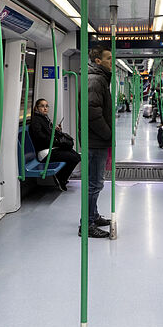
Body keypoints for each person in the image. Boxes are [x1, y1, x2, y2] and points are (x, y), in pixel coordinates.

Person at [80, 45, 114, 239]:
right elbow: (92, 112)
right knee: (94, 184)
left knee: (95, 183)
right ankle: (87, 224)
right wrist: (107, 134)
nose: (112, 62)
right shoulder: (95, 80)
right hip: (95, 141)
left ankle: (93, 215)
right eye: (108, 59)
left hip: (96, 140)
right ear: (98, 61)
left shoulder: (99, 79)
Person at [29, 98, 81, 191]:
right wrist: (56, 141)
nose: (45, 108)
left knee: (75, 155)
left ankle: (62, 177)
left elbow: (48, 132)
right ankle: (61, 178)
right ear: (36, 108)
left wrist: (56, 130)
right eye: (42, 106)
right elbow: (40, 137)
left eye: (46, 106)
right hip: (45, 152)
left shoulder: (45, 119)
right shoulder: (36, 121)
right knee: (74, 158)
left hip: (52, 148)